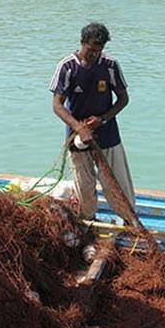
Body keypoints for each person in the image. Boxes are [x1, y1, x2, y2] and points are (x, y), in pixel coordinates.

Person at [50, 22, 135, 220]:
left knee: (116, 182)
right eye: (90, 50)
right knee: (84, 184)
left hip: (107, 134)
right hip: (78, 137)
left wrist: (103, 119)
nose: (94, 55)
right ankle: (89, 219)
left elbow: (123, 99)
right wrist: (79, 128)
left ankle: (129, 220)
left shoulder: (110, 66)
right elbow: (57, 105)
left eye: (98, 51)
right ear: (82, 43)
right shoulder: (67, 67)